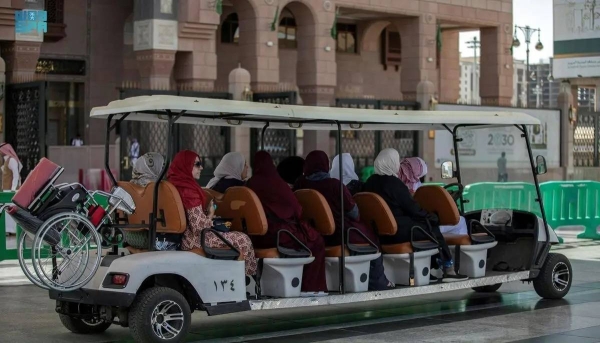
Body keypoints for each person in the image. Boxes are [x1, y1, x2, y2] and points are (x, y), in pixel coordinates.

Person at [363, 148, 467, 282]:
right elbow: (413, 209)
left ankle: (430, 268)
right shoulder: (395, 184)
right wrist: (430, 217)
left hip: (380, 234)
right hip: (399, 232)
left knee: (426, 225)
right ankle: (448, 268)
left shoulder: (369, 182)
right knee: (432, 227)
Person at [295, 150, 393, 290]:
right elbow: (354, 213)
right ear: (325, 165)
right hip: (341, 233)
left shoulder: (300, 184)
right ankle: (378, 282)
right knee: (373, 241)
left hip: (312, 235)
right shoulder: (335, 185)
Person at [247, 151, 327, 294]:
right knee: (317, 242)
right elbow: (297, 210)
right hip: (280, 235)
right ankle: (310, 288)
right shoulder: (277, 183)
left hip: (257, 237)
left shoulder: (250, 184)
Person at [168, 150, 257, 276]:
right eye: (197, 164)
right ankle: (249, 283)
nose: (201, 168)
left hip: (184, 237)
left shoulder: (174, 184)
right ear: (186, 165)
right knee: (243, 239)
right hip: (195, 239)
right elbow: (198, 227)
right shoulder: (188, 191)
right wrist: (210, 217)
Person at [399, 157, 467, 235]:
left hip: (413, 224)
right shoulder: (413, 188)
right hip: (421, 226)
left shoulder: (398, 183)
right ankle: (461, 245)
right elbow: (417, 210)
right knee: (460, 221)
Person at [125, 152, 177, 250]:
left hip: (131, 236)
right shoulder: (156, 187)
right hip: (154, 238)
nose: (162, 170)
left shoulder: (131, 186)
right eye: (161, 166)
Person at [0, 143, 21, 236]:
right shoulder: (6, 160)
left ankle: (12, 231)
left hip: (11, 191)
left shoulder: (12, 160)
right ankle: (9, 230)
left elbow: (16, 175)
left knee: (10, 211)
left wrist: (13, 189)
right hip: (6, 190)